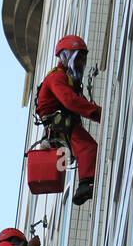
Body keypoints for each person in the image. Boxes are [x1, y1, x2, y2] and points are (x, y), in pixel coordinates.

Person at [35, 34, 101, 206]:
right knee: (87, 147)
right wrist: (96, 113)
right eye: (77, 59)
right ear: (66, 56)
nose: (80, 64)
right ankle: (85, 184)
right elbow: (70, 100)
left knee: (86, 147)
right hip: (59, 122)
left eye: (82, 60)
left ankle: (86, 183)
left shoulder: (69, 79)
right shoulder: (57, 77)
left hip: (61, 122)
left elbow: (75, 100)